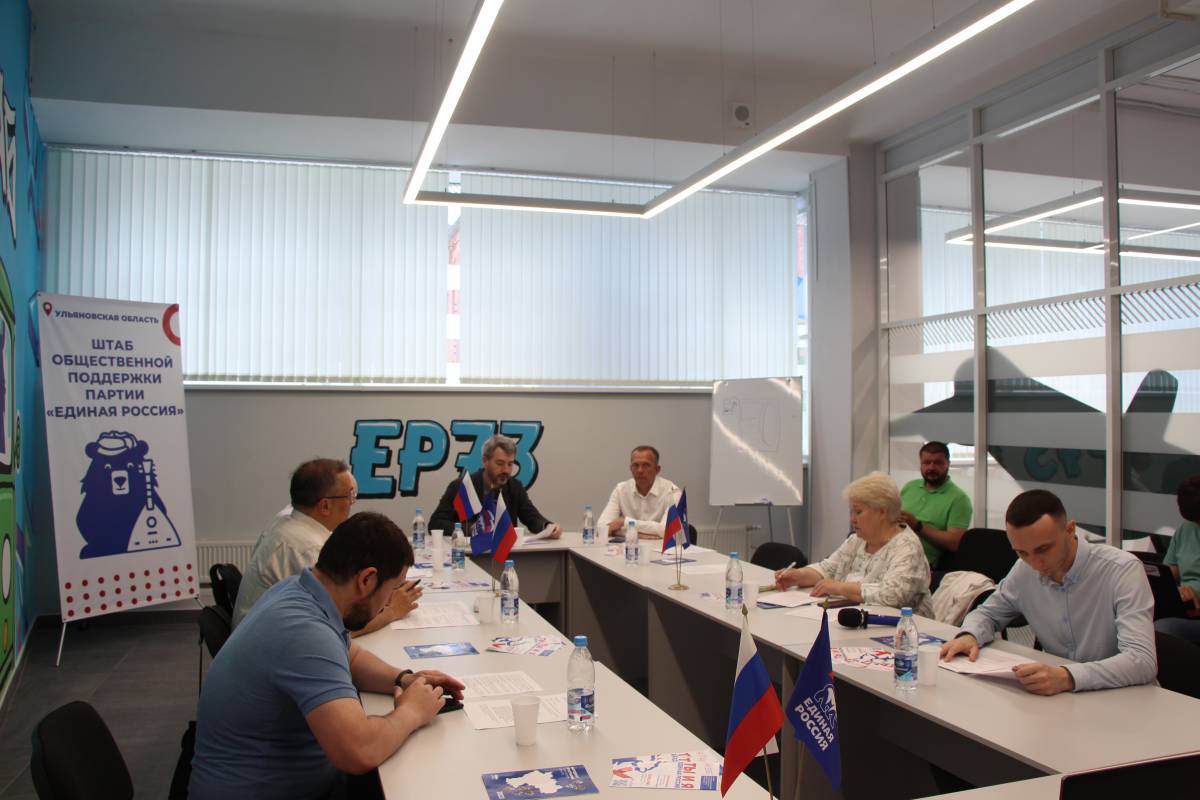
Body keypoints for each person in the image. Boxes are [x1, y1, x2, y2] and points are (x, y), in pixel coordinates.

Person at [190, 511, 466, 800]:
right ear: (367, 579)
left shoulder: (298, 590)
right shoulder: (305, 632)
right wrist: (411, 712)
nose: (389, 601)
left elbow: (350, 656)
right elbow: (359, 751)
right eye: (391, 590)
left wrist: (404, 679)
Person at [941, 489, 1157, 695]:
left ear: (1070, 530)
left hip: (1124, 696)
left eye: (1043, 549)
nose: (1034, 563)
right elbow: (987, 613)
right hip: (1061, 698)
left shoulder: (1122, 570)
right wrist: (969, 635)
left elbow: (1142, 660)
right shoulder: (1024, 570)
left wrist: (1067, 677)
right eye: (1022, 552)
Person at [233, 458, 420, 634]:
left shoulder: (287, 523)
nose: (352, 503)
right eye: (350, 496)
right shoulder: (307, 549)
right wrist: (392, 611)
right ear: (325, 506)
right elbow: (342, 627)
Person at [774, 471, 932, 616]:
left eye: (858, 512)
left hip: (903, 629)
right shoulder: (857, 540)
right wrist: (798, 576)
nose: (852, 519)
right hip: (857, 620)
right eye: (851, 512)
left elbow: (893, 595)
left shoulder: (907, 547)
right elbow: (827, 569)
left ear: (882, 512)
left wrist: (839, 587)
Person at [429, 434, 561, 539]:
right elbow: (435, 524)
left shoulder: (514, 487)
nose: (506, 470)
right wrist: (470, 529)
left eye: (510, 464)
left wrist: (548, 527)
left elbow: (532, 517)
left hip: (505, 555)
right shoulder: (462, 486)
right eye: (500, 463)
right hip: (468, 555)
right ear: (485, 461)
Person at [899, 441, 973, 568]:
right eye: (926, 462)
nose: (931, 468)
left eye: (938, 463)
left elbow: (954, 543)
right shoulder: (910, 487)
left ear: (948, 464)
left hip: (920, 564)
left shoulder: (959, 499)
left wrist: (918, 526)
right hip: (891, 552)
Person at [597, 445, 680, 539]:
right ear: (631, 468)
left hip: (660, 548)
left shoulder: (673, 492)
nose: (640, 470)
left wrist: (624, 522)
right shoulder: (621, 490)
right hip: (629, 546)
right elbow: (601, 527)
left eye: (646, 465)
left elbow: (668, 530)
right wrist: (637, 534)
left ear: (657, 469)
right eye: (636, 465)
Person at [1155, 474, 1200, 643]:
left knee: (1163, 630)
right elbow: (1171, 571)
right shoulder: (1186, 529)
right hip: (1185, 608)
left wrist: (1195, 592)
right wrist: (1175, 591)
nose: (1196, 525)